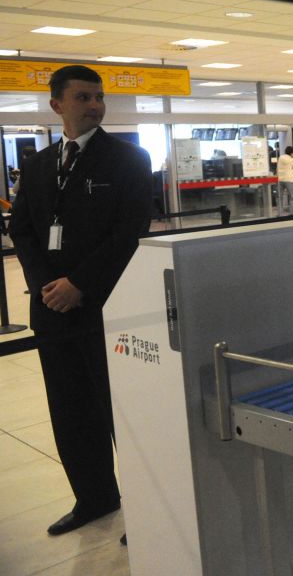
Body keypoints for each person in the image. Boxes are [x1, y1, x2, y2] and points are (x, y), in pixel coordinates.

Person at [9, 65, 152, 537]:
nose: (95, 105)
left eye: (99, 96)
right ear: (57, 105)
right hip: (53, 311)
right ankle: (94, 497)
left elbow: (129, 232)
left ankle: (149, 507)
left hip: (109, 307)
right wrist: (48, 284)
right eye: (83, 97)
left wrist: (80, 284)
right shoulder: (36, 164)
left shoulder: (129, 160)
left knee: (121, 412)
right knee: (70, 409)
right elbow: (22, 227)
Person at [276, 145, 293, 215]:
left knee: (280, 196)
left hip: (280, 179)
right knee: (292, 197)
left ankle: (280, 213)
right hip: (289, 179)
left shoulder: (280, 157)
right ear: (291, 153)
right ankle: (291, 212)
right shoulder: (291, 160)